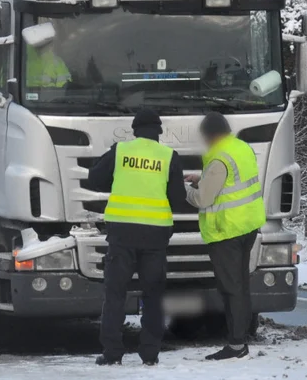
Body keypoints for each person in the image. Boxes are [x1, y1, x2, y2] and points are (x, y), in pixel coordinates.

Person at [86, 109, 188, 366]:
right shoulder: (168, 157)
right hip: (155, 237)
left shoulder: (120, 152)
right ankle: (150, 354)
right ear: (159, 132)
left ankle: (111, 353)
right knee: (153, 296)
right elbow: (177, 199)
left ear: (134, 130)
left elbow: (94, 178)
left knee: (115, 294)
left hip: (121, 235)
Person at [185, 112, 267, 360]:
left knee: (231, 289)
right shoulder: (240, 148)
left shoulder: (218, 158)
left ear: (209, 135)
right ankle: (240, 339)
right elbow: (233, 180)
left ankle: (236, 344)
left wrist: (185, 189)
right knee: (240, 285)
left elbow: (203, 199)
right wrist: (204, 178)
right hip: (247, 226)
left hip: (226, 231)